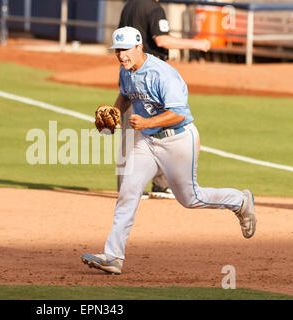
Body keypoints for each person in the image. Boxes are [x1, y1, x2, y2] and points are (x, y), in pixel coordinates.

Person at [81, 27, 256, 275]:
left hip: (179, 141)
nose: (121, 56)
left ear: (139, 47)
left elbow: (179, 113)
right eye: (117, 50)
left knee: (190, 198)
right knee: (128, 192)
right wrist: (116, 113)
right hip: (148, 142)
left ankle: (239, 201)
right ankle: (113, 256)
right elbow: (125, 95)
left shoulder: (162, 74)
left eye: (125, 50)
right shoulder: (126, 70)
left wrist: (146, 123)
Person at [117, 0, 211, 199]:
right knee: (154, 128)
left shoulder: (130, 5)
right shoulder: (154, 8)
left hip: (132, 73)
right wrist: (196, 43)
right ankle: (149, 186)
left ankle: (143, 185)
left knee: (141, 132)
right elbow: (161, 40)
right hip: (150, 76)